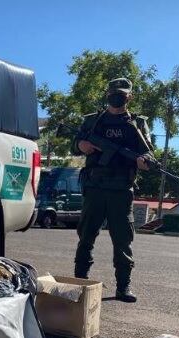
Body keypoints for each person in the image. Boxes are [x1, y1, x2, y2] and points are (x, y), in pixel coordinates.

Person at [72, 77, 153, 303]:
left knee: (123, 240)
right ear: (107, 94)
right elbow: (75, 143)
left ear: (130, 96)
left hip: (121, 190)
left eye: (123, 93)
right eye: (114, 92)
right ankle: (80, 283)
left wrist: (144, 161)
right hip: (95, 187)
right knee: (86, 236)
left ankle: (123, 287)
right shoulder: (92, 121)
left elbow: (148, 151)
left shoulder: (136, 123)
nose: (117, 96)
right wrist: (82, 146)